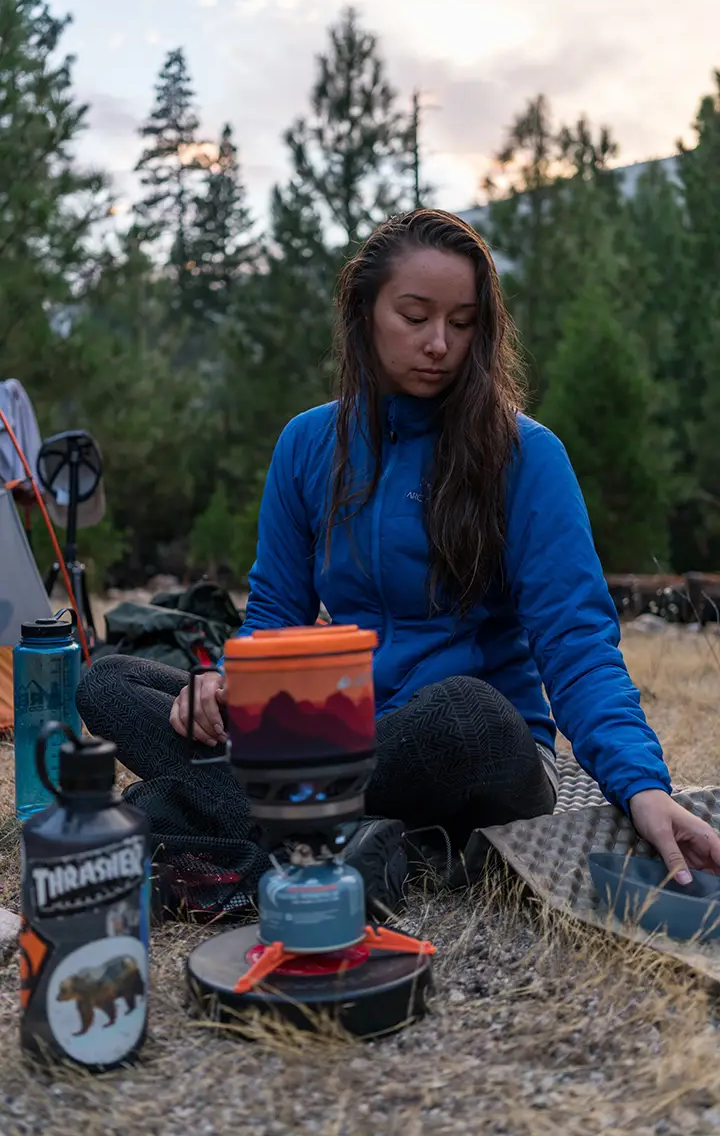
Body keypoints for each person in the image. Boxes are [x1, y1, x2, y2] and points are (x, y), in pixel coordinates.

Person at [77, 208, 720, 900]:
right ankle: (357, 838)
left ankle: (215, 811)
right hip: (339, 735)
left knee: (466, 713)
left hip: (473, 751)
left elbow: (577, 641)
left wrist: (642, 786)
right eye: (415, 316)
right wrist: (229, 682)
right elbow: (275, 615)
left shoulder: (526, 455)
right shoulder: (308, 444)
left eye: (462, 323)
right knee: (108, 682)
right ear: (364, 312)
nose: (439, 343)